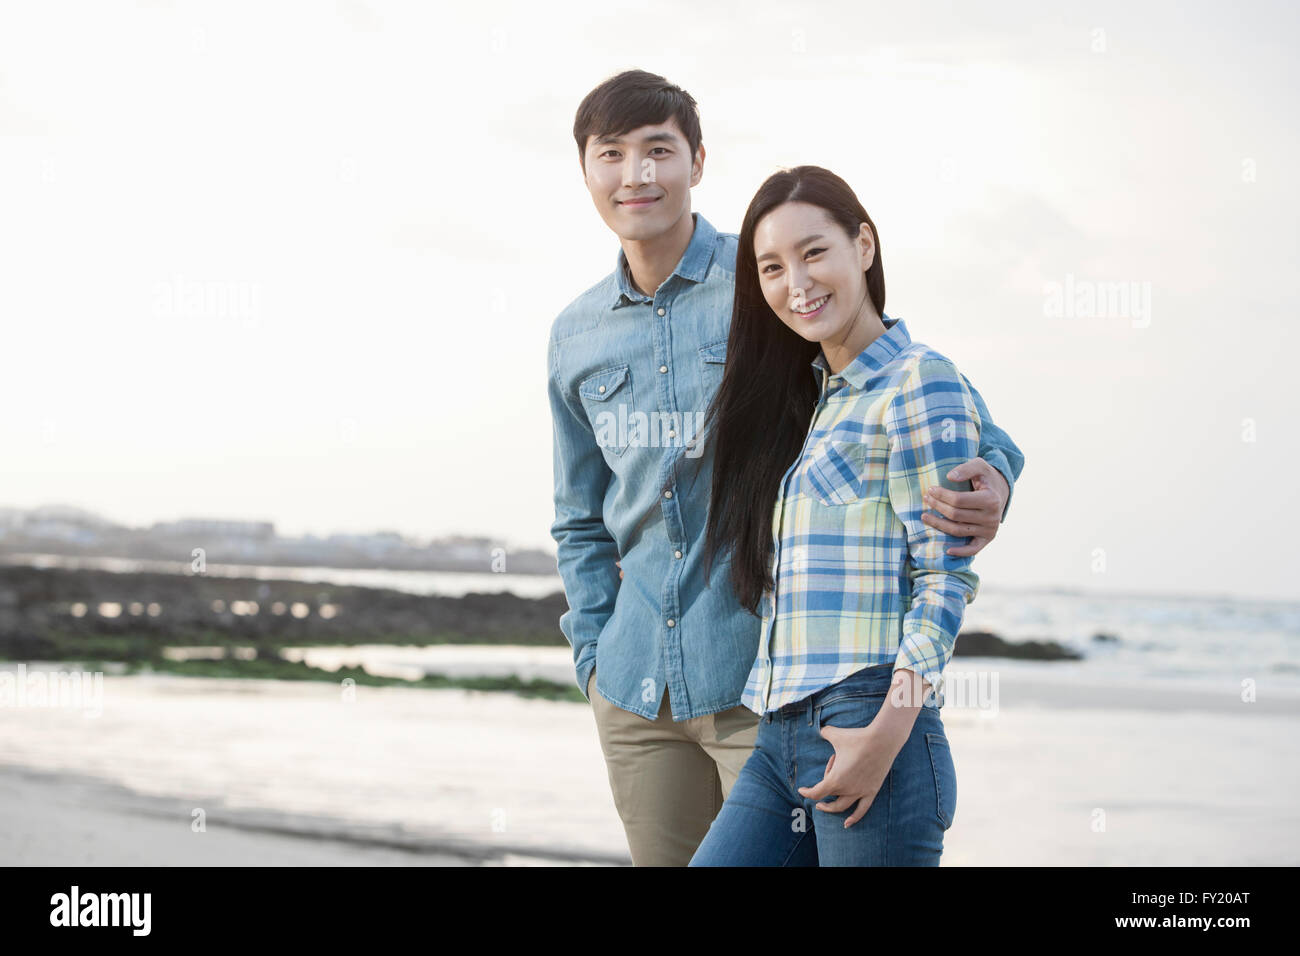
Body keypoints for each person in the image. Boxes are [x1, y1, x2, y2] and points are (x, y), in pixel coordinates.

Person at [547, 70, 1025, 866]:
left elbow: (931, 401)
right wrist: (593, 655)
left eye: (659, 150)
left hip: (763, 684)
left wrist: (997, 477)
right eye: (613, 154)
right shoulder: (575, 335)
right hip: (634, 688)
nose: (638, 175)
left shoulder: (771, 279)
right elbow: (578, 517)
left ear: (697, 162)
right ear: (588, 171)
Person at [688, 165, 985, 865]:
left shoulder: (919, 380)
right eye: (772, 267)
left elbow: (945, 580)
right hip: (779, 731)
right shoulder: (811, 401)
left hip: (872, 723)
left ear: (865, 247)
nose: (797, 282)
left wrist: (888, 733)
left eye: (814, 251)